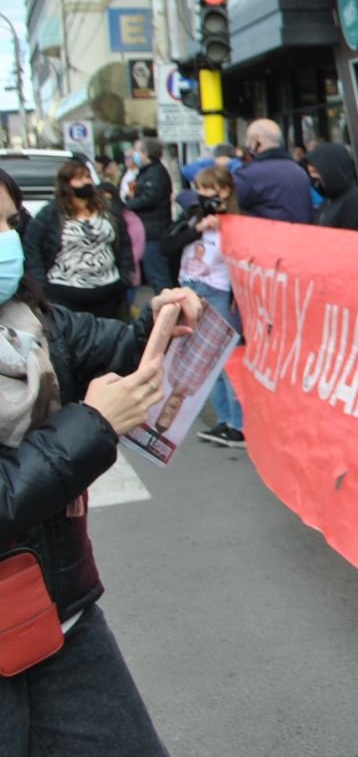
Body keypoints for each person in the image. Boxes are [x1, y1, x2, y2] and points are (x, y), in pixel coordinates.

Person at [0, 197, 205, 756]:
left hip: (57, 619)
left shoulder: (32, 321)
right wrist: (93, 424)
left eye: (9, 222)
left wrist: (160, 321)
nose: (6, 240)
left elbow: (115, 347)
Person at [162, 166, 247, 448]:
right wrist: (195, 229)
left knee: (225, 361)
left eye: (208, 189)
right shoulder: (192, 217)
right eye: (199, 188)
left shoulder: (237, 223)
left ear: (224, 191)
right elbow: (167, 245)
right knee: (204, 362)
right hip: (189, 290)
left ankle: (238, 425)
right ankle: (224, 421)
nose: (202, 195)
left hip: (218, 293)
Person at [23, 160, 135, 320]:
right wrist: (41, 287)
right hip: (64, 295)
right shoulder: (49, 214)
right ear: (66, 184)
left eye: (87, 177)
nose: (86, 182)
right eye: (79, 178)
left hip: (108, 293)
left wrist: (125, 278)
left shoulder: (108, 210)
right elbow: (32, 249)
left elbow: (124, 244)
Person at [120, 138, 174, 293]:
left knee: (158, 274)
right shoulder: (145, 172)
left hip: (154, 231)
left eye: (137, 151)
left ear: (146, 153)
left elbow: (149, 198)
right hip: (147, 230)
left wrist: (127, 204)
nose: (134, 155)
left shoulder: (156, 173)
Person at [234, 120, 314, 224]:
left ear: (257, 139)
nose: (246, 144)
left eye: (248, 139)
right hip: (299, 236)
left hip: (265, 237)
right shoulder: (299, 171)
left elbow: (231, 204)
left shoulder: (248, 174)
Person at [306, 142, 358, 233]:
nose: (313, 177)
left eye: (316, 172)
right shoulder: (329, 200)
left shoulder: (356, 201)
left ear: (332, 170)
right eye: (310, 172)